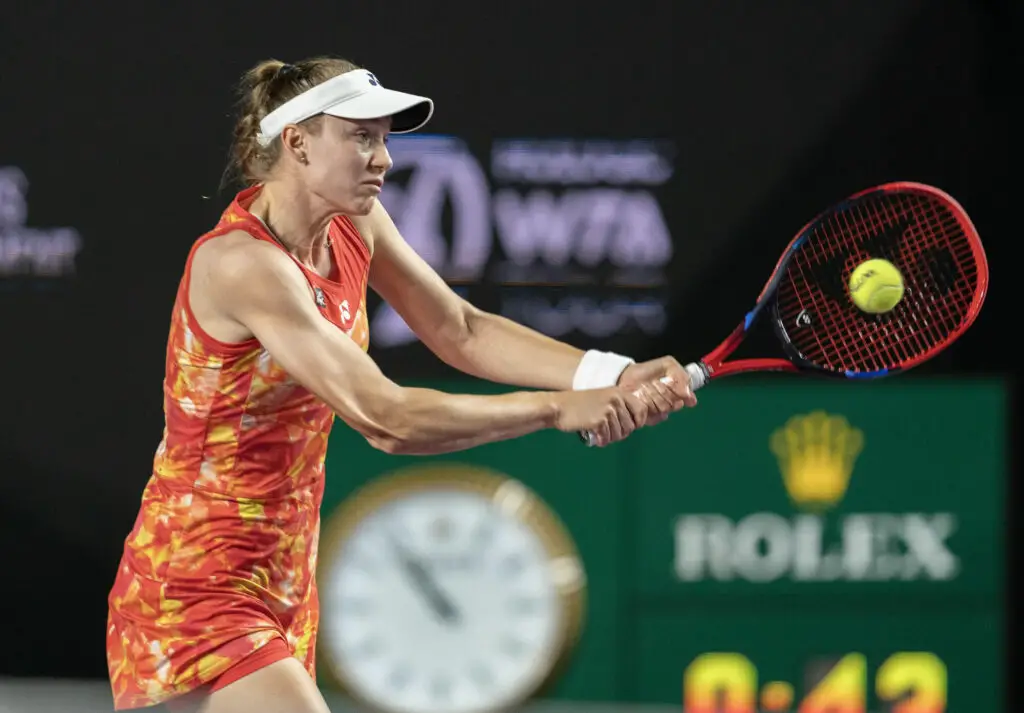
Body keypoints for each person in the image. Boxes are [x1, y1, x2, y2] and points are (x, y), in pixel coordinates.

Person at [105, 55, 698, 713]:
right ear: (297, 142)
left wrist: (610, 373)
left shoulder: (353, 224)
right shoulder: (242, 265)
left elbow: (460, 329)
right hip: (195, 581)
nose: (383, 159)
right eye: (361, 137)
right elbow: (386, 416)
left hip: (281, 578)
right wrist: (557, 409)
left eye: (384, 138)